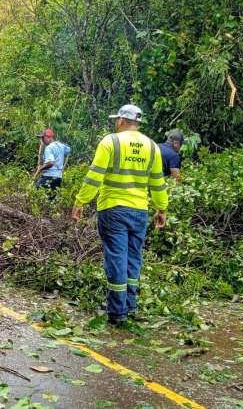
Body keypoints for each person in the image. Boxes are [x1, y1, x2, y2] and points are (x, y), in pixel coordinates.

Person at [71, 104, 168, 326]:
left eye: (117, 120)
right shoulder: (152, 147)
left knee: (116, 257)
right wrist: (161, 209)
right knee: (133, 257)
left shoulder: (111, 142)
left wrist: (80, 201)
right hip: (140, 211)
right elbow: (158, 183)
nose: (116, 122)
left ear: (122, 121)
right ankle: (129, 306)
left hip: (113, 209)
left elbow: (94, 176)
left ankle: (116, 312)